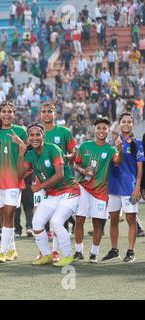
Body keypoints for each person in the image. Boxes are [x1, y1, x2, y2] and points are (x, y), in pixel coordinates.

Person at [16, 123, 80, 267]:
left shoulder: (53, 149)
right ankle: (46, 255)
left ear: (43, 136)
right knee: (36, 224)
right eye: (31, 135)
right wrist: (21, 153)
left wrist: (40, 186)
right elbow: (19, 175)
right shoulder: (30, 154)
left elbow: (60, 174)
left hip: (69, 191)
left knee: (56, 222)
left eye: (38, 134)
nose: (34, 137)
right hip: (52, 194)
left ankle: (68, 256)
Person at [73, 117, 123, 263]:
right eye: (99, 128)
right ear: (94, 130)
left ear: (108, 131)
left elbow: (118, 161)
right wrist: (83, 170)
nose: (101, 131)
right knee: (80, 220)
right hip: (83, 188)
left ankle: (94, 254)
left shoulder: (110, 149)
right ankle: (78, 251)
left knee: (97, 223)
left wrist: (120, 149)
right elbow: (76, 165)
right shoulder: (84, 146)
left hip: (101, 192)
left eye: (104, 129)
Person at [0, 101, 27, 263]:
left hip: (15, 181)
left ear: (14, 114)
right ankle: (12, 250)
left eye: (10, 112)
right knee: (3, 217)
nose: (7, 114)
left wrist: (21, 144)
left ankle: (3, 252)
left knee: (9, 214)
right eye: (4, 112)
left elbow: (28, 153)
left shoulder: (21, 131)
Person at [102, 112, 144, 262]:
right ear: (119, 124)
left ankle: (130, 252)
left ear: (132, 124)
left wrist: (137, 187)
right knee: (113, 219)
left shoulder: (137, 143)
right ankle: (114, 250)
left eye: (129, 121)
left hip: (129, 187)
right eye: (123, 121)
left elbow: (140, 168)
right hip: (113, 186)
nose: (126, 124)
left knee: (130, 219)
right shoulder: (112, 142)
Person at [41, 102, 77, 261]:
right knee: (41, 217)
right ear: (40, 114)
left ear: (55, 114)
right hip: (41, 181)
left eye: (50, 111)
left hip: (60, 181)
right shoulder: (36, 132)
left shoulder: (64, 132)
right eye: (44, 111)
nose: (47, 114)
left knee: (56, 218)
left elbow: (74, 153)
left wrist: (66, 158)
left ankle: (55, 251)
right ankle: (43, 251)